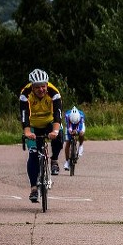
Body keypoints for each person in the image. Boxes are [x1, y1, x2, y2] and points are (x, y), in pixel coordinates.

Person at [19, 68, 63, 203]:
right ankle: (33, 188)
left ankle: (54, 160)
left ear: (46, 84)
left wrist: (54, 132)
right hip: (32, 125)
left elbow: (57, 115)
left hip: (49, 122)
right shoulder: (25, 94)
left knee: (60, 134)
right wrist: (27, 132)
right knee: (33, 153)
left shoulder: (54, 93)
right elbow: (24, 116)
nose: (41, 90)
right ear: (32, 87)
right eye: (37, 87)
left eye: (43, 86)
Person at [63, 105, 86, 171]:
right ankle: (67, 162)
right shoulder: (67, 115)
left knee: (81, 133)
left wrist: (77, 131)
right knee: (67, 142)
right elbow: (68, 126)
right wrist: (70, 131)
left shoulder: (81, 116)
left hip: (79, 125)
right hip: (70, 125)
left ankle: (81, 145)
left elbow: (81, 127)